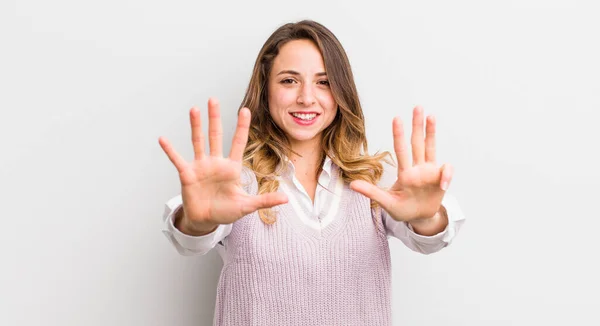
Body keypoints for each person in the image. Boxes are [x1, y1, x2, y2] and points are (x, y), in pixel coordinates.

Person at [158, 20, 465, 326]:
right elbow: (189, 239)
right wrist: (195, 222)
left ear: (341, 92)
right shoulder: (237, 184)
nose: (306, 98)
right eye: (289, 81)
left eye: (324, 82)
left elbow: (431, 239)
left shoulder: (374, 182)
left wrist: (427, 219)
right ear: (265, 91)